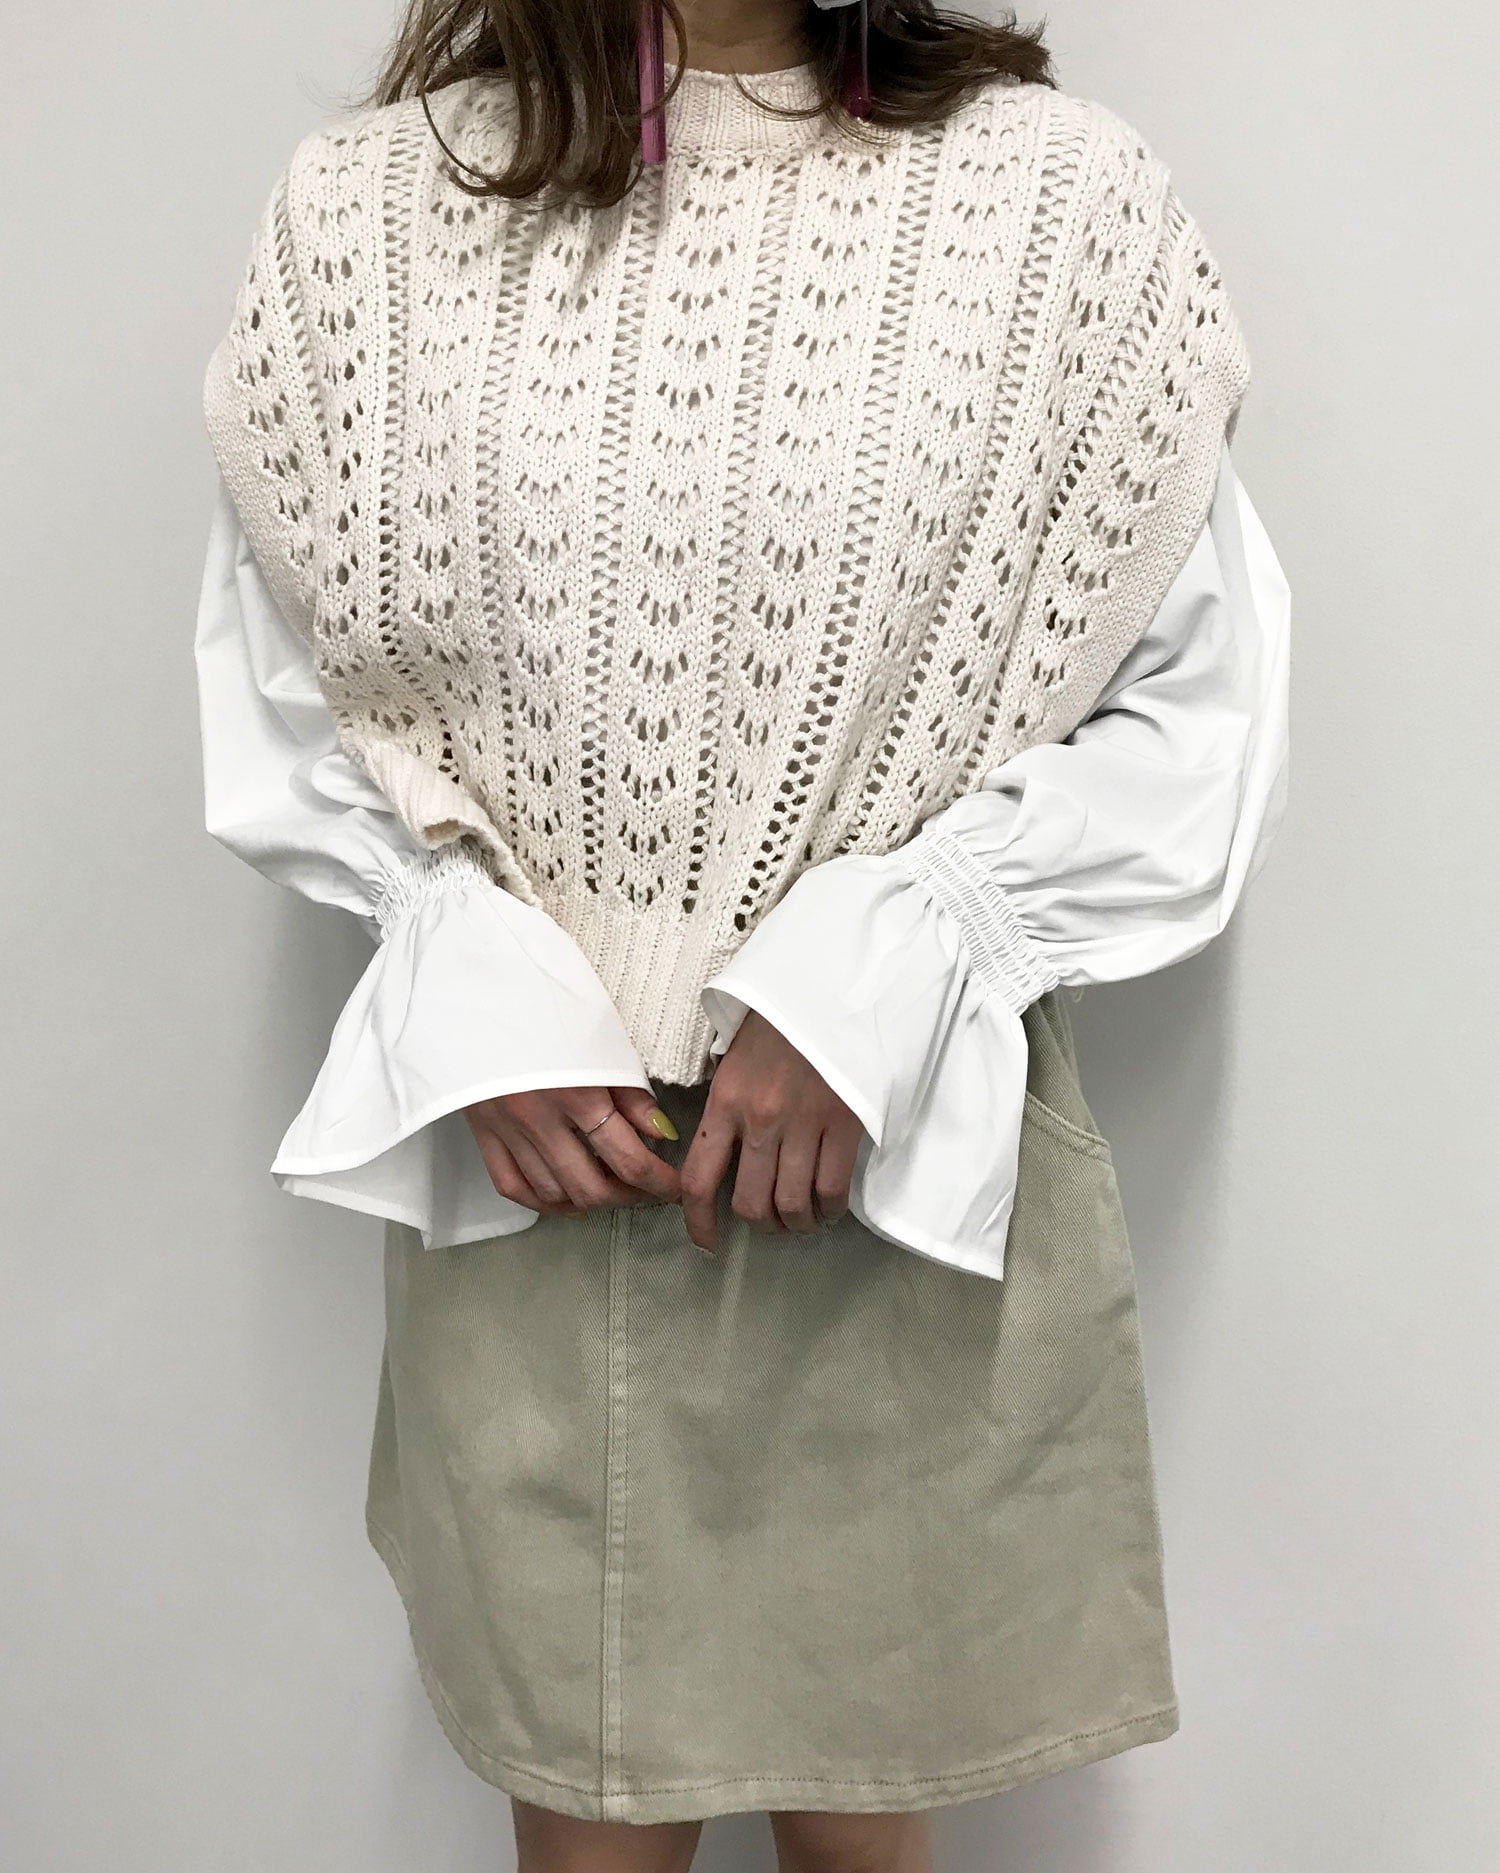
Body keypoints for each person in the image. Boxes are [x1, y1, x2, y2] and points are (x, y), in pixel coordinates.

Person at [195, 2, 1290, 1867]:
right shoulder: (375, 211)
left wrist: (879, 972)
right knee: (589, 1833)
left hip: (895, 1163)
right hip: (548, 1177)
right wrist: (476, 986)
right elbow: (300, 693)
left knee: (866, 1837)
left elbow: (1192, 709)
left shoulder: (1060, 205)